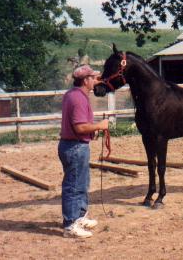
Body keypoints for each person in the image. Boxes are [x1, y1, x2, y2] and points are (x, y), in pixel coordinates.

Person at [58, 65, 109, 238]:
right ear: (85, 80)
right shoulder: (78, 99)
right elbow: (80, 127)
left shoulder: (73, 95)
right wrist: (99, 126)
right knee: (74, 186)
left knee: (81, 183)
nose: (96, 80)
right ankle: (71, 224)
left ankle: (79, 216)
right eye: (93, 78)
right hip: (75, 146)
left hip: (74, 145)